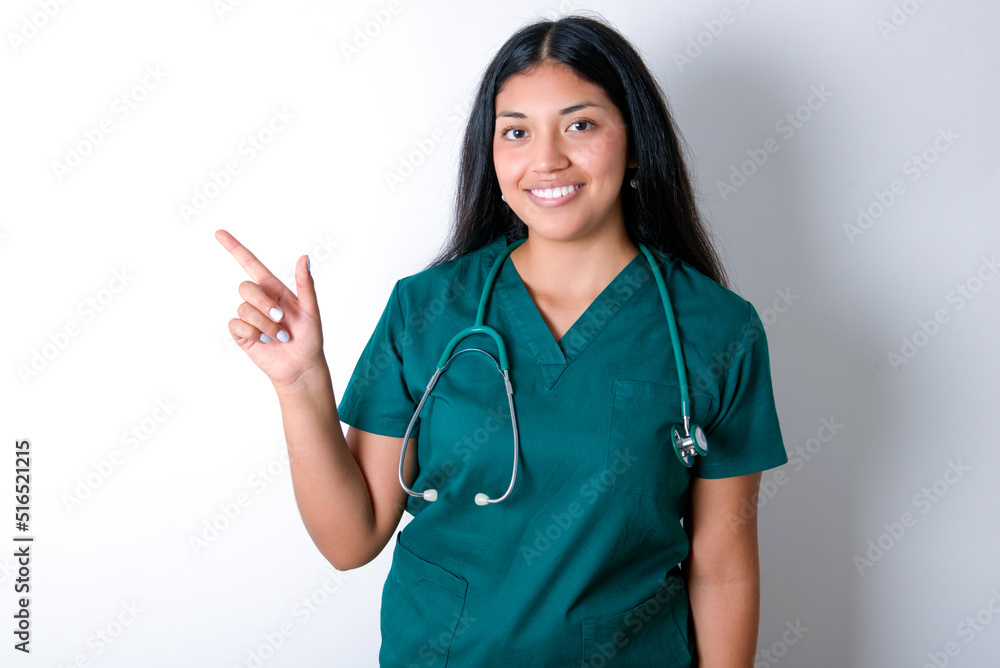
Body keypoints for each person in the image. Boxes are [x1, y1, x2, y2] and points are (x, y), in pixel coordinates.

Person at [216, 13, 787, 667]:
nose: (547, 159)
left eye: (580, 125)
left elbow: (724, 571)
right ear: (490, 154)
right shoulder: (427, 310)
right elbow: (351, 540)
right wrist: (300, 384)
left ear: (634, 142)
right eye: (516, 131)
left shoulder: (716, 329)